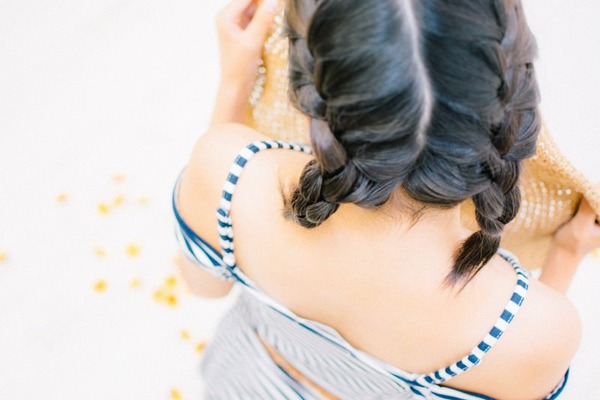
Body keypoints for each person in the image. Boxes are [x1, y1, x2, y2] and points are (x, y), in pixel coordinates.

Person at [172, 0, 600, 398]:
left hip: (242, 382)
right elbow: (516, 363)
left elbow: (205, 286)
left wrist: (236, 80)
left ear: (307, 82)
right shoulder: (535, 329)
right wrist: (565, 254)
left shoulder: (229, 173)